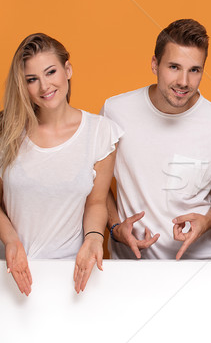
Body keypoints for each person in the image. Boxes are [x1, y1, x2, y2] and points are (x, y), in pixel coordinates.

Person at [102, 19, 211, 260]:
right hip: (130, 269)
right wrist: (115, 228)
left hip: (198, 268)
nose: (184, 82)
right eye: (174, 67)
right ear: (155, 64)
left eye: (194, 70)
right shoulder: (115, 111)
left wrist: (207, 221)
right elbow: (96, 184)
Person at [0, 33, 121, 295]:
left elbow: (97, 202)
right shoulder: (6, 132)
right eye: (32, 79)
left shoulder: (101, 132)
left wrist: (93, 238)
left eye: (50, 72)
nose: (44, 86)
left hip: (73, 273)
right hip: (12, 271)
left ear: (67, 70)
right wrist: (11, 240)